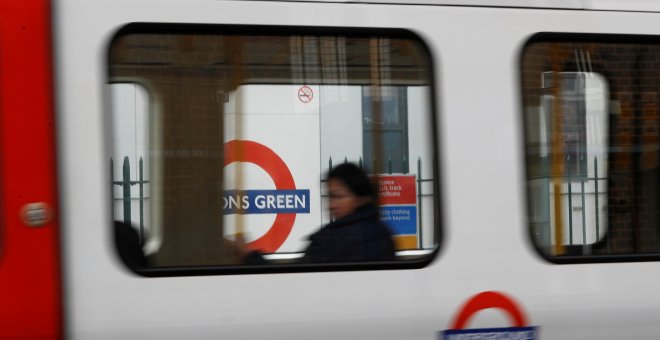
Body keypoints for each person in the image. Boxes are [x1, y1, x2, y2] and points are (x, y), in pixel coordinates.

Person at [232, 162, 396, 264]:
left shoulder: (331, 241)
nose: (331, 204)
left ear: (359, 198)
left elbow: (289, 283)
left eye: (339, 197)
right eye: (329, 196)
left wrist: (249, 256)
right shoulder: (383, 233)